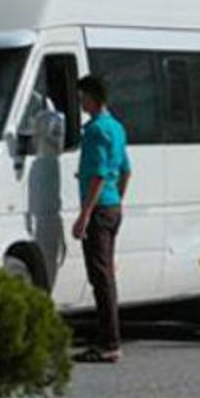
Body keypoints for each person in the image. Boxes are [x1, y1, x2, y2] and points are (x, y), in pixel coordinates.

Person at [71, 75, 132, 364]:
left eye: (83, 96)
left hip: (98, 210)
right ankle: (109, 339)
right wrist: (116, 198)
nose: (81, 102)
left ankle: (110, 343)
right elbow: (126, 170)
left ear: (94, 97)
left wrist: (85, 214)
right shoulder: (117, 127)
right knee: (105, 273)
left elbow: (97, 175)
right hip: (112, 207)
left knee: (101, 277)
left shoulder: (95, 131)